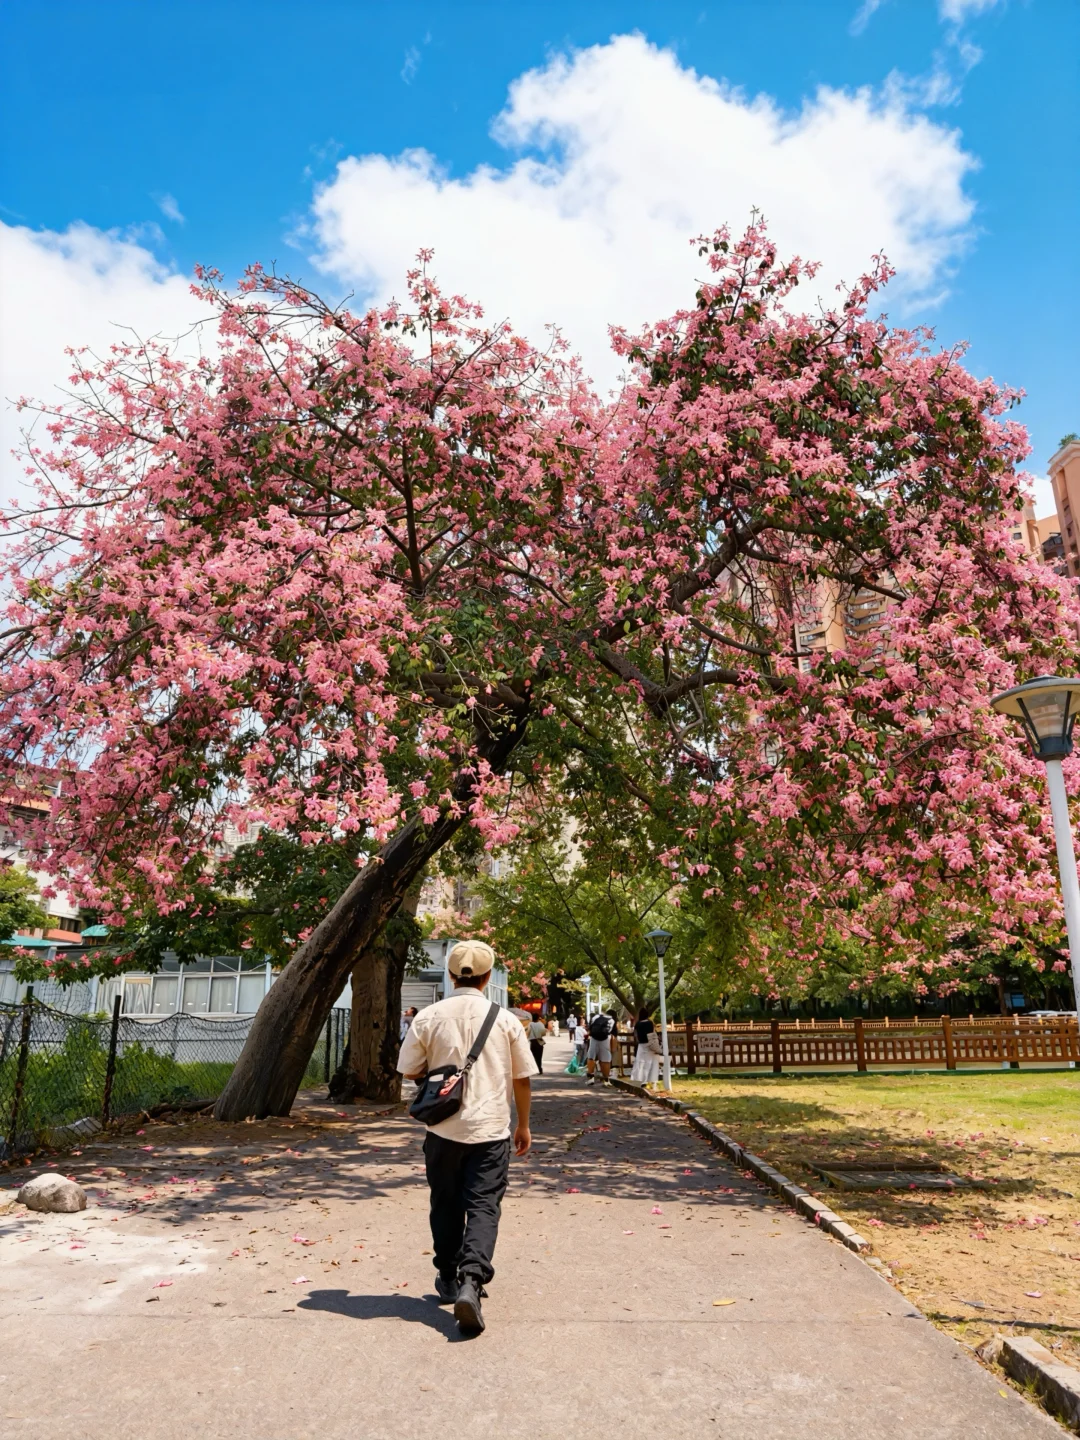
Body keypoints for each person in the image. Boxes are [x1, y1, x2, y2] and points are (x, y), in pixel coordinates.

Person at [398, 940, 535, 1335]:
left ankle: (447, 1276)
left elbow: (408, 1070)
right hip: (491, 1131)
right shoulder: (505, 1019)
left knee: (445, 1202)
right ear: (488, 977)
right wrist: (522, 1125)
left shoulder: (428, 1016)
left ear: (452, 974)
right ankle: (472, 1281)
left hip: (442, 1129)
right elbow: (522, 1078)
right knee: (483, 1207)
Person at [630, 1006, 661, 1089]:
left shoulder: (638, 1024)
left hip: (641, 1045)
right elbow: (653, 1033)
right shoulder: (650, 1023)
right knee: (650, 1063)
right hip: (650, 1044)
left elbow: (635, 1035)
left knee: (641, 1063)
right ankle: (652, 1081)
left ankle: (643, 1080)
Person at [585, 1009, 617, 1085]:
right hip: (605, 1039)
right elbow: (614, 1035)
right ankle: (606, 1080)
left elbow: (589, 1029)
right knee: (605, 1059)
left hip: (594, 1038)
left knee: (591, 1057)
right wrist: (613, 1048)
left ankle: (591, 1078)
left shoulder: (596, 1017)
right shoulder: (612, 1020)